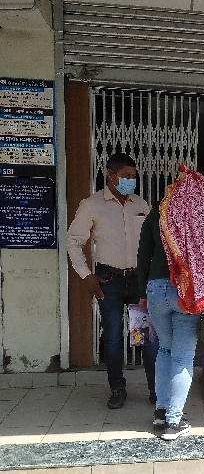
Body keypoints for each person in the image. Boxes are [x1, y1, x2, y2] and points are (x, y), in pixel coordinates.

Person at [138, 165, 204, 440]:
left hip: (155, 290)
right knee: (182, 356)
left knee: (164, 349)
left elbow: (143, 256)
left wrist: (142, 293)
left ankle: (161, 411)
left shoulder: (158, 213)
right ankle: (173, 422)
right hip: (185, 293)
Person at [66, 153, 158, 409]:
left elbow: (154, 241)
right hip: (108, 280)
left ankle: (156, 390)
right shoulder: (92, 205)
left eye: (133, 176)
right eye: (125, 175)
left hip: (139, 280)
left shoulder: (141, 205)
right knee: (114, 338)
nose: (130, 180)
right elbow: (74, 242)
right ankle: (118, 388)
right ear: (110, 174)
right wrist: (86, 275)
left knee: (146, 337)